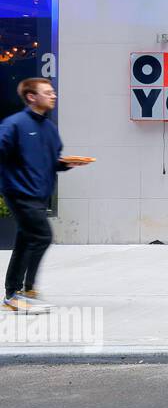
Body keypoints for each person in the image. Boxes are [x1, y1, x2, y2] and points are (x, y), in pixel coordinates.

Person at [0, 78, 90, 312]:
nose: (53, 96)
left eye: (53, 92)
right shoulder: (15, 124)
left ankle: (22, 292)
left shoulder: (49, 128)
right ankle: (15, 294)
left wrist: (67, 163)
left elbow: (51, 161)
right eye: (47, 92)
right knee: (41, 236)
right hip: (20, 192)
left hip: (39, 194)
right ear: (31, 97)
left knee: (26, 239)